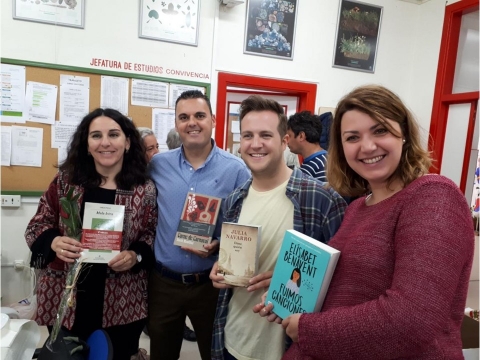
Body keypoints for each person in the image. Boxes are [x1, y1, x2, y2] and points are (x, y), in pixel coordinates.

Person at [257, 85, 475, 359]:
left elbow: (411, 320)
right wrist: (288, 296)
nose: (367, 146)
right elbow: (345, 285)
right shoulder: (359, 206)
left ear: (404, 134)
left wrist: (309, 328)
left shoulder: (432, 197)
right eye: (352, 137)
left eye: (380, 130)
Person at [210, 95, 347, 360]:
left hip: (288, 347)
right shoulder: (233, 202)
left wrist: (295, 279)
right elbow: (231, 260)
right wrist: (220, 267)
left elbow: (345, 281)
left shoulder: (322, 199)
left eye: (265, 135)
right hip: (233, 339)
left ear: (285, 140)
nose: (255, 144)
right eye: (247, 135)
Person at [25, 108, 158, 360]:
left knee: (116, 354)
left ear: (128, 142)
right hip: (67, 297)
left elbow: (151, 233)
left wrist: (134, 255)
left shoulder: (145, 189)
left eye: (114, 134)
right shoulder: (66, 181)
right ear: (86, 145)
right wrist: (54, 241)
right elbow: (36, 225)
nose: (105, 142)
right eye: (96, 135)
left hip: (123, 301)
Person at [147, 90, 251, 360]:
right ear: (176, 124)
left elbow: (246, 225)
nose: (192, 122)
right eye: (184, 117)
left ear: (213, 120)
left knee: (214, 352)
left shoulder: (236, 169)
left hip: (210, 284)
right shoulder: (158, 165)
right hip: (164, 283)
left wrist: (220, 247)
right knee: (161, 352)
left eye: (199, 115)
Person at [138, 127, 197, 343]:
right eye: (148, 149)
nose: (155, 153)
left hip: (187, 263)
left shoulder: (161, 168)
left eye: (156, 147)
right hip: (150, 263)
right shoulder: (139, 178)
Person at [287, 111, 328, 181]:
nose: (287, 141)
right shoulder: (323, 160)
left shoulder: (319, 166)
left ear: (301, 136)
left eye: (289, 136)